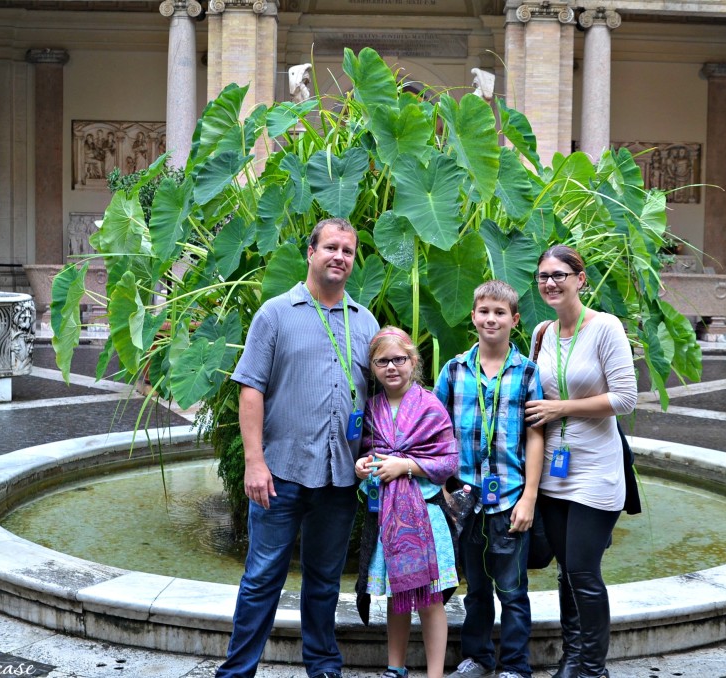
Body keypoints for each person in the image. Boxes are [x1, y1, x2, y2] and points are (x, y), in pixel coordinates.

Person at [217, 217, 380, 678]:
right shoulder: (275, 313)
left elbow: (380, 395)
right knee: (262, 578)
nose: (340, 257)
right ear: (310, 253)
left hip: (340, 476)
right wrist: (254, 462)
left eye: (348, 251)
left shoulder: (364, 321)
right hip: (281, 472)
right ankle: (237, 672)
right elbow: (250, 389)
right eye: (331, 248)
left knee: (325, 581)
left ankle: (323, 666)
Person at [525, 245, 638, 678]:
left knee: (584, 571)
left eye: (559, 275)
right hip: (554, 469)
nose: (550, 283)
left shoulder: (605, 327)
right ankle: (572, 659)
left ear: (580, 279)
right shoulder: (542, 333)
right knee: (565, 572)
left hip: (596, 469)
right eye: (542, 276)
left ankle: (593, 667)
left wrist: (562, 409)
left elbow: (625, 399)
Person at [434, 280, 545, 678]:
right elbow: (437, 431)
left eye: (500, 313)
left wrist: (529, 496)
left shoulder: (527, 372)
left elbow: (536, 436)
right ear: (474, 317)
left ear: (515, 320)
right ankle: (477, 658)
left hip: (510, 498)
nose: (491, 319)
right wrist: (444, 488)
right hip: (466, 500)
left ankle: (515, 665)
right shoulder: (454, 370)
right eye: (484, 312)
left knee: (513, 591)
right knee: (476, 590)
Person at [354, 326, 458, 678]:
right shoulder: (372, 408)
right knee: (396, 599)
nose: (392, 367)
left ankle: (434, 674)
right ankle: (394, 668)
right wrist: (361, 465)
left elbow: (448, 462)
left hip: (426, 517)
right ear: (373, 367)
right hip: (388, 519)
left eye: (399, 359)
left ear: (413, 362)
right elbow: (367, 453)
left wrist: (407, 465)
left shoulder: (430, 406)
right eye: (383, 361)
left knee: (429, 601)